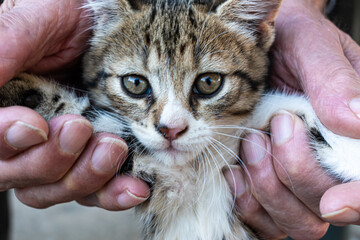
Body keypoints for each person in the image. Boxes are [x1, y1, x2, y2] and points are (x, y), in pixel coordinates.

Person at [0, 0, 359, 239]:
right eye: (137, 84)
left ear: (256, 32)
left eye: (207, 83)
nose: (170, 123)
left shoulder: (270, 118)